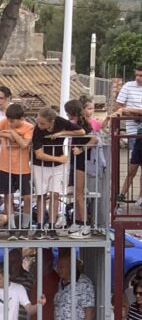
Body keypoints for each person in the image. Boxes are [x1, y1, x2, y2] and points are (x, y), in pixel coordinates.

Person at [31, 107, 85, 240]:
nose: (40, 125)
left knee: (55, 194)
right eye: (38, 122)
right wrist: (59, 159)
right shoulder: (37, 130)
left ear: (51, 121)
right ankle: (39, 226)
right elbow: (38, 154)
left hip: (58, 167)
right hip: (41, 165)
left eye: (43, 123)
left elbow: (81, 131)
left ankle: (52, 226)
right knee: (41, 195)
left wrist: (63, 133)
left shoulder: (61, 122)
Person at [0, 102, 33, 241]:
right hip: (5, 166)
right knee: (8, 196)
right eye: (9, 121)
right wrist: (7, 134)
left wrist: (13, 133)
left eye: (13, 121)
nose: (10, 123)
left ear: (21, 118)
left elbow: (25, 143)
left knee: (28, 197)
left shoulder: (29, 127)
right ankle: (12, 229)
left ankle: (25, 227)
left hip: (22, 167)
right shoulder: (5, 122)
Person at [64, 99, 98, 239]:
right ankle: (77, 222)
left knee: (79, 195)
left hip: (82, 161)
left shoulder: (84, 124)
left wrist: (82, 150)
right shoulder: (75, 124)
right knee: (76, 194)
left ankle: (85, 224)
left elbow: (94, 139)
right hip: (76, 160)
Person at [110, 65, 142, 203]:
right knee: (133, 165)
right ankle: (123, 195)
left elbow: (124, 109)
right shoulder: (128, 86)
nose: (138, 78)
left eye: (141, 76)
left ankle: (140, 198)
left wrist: (128, 110)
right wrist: (134, 112)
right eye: (137, 75)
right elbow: (118, 107)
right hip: (133, 131)